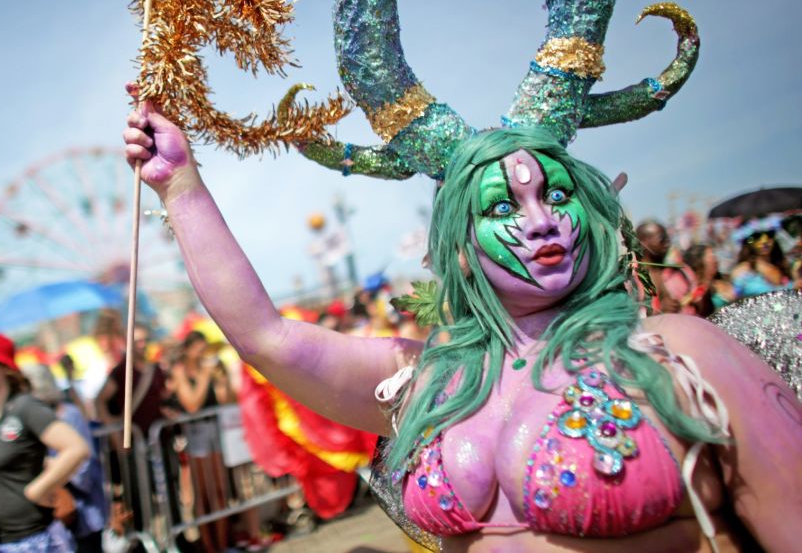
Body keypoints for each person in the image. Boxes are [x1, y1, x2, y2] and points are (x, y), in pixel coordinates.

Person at [123, 100, 802, 550]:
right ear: (459, 243)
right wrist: (180, 188)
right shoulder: (435, 380)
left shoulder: (679, 355)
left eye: (556, 195)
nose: (539, 221)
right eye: (503, 206)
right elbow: (269, 339)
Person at [0, 333, 90, 552]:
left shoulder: (25, 407)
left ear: (4, 367)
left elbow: (76, 448)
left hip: (29, 540)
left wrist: (37, 490)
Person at [22, 363, 107, 553]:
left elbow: (84, 466)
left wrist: (52, 466)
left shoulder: (69, 414)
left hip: (81, 509)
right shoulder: (27, 421)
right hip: (51, 515)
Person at [168, 330, 233, 553]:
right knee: (204, 495)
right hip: (196, 435)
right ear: (188, 350)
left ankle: (223, 544)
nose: (204, 353)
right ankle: (209, 546)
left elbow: (225, 401)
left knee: (220, 492)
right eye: (199, 349)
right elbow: (192, 404)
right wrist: (205, 375)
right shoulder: (180, 371)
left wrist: (222, 379)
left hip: (215, 429)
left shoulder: (211, 369)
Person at [635, 220, 697, 314]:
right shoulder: (630, 278)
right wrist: (659, 311)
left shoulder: (680, 272)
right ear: (643, 241)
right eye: (662, 238)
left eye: (668, 238)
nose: (667, 243)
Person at [730, 216, 792, 298]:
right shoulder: (742, 271)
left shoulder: (785, 264)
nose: (764, 241)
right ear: (747, 241)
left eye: (769, 234)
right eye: (756, 236)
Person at [682, 244, 737, 316]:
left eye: (714, 256)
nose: (716, 259)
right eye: (711, 256)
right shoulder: (693, 288)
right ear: (698, 261)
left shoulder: (724, 281)